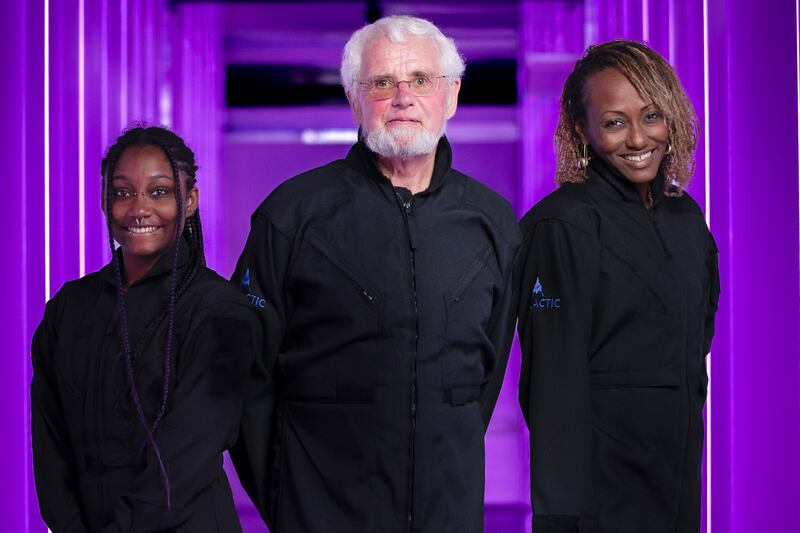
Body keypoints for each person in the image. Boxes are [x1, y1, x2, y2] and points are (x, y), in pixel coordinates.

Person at [230, 15, 520, 533]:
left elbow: (482, 380)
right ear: (353, 99)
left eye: (421, 80)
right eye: (383, 82)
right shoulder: (292, 216)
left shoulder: (492, 223)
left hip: (447, 518)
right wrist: (288, 501)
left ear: (451, 95)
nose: (403, 98)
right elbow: (244, 377)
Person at [515, 40, 720, 532]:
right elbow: (551, 388)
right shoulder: (561, 226)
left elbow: (698, 344)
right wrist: (562, 519)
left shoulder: (686, 219)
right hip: (599, 501)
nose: (638, 138)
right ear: (581, 129)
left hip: (676, 486)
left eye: (651, 116)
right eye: (614, 122)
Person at [31, 126, 256, 532]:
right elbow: (50, 443)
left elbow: (187, 456)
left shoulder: (219, 311)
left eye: (159, 192)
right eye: (122, 192)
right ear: (105, 200)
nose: (139, 208)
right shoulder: (68, 308)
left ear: (190, 201)